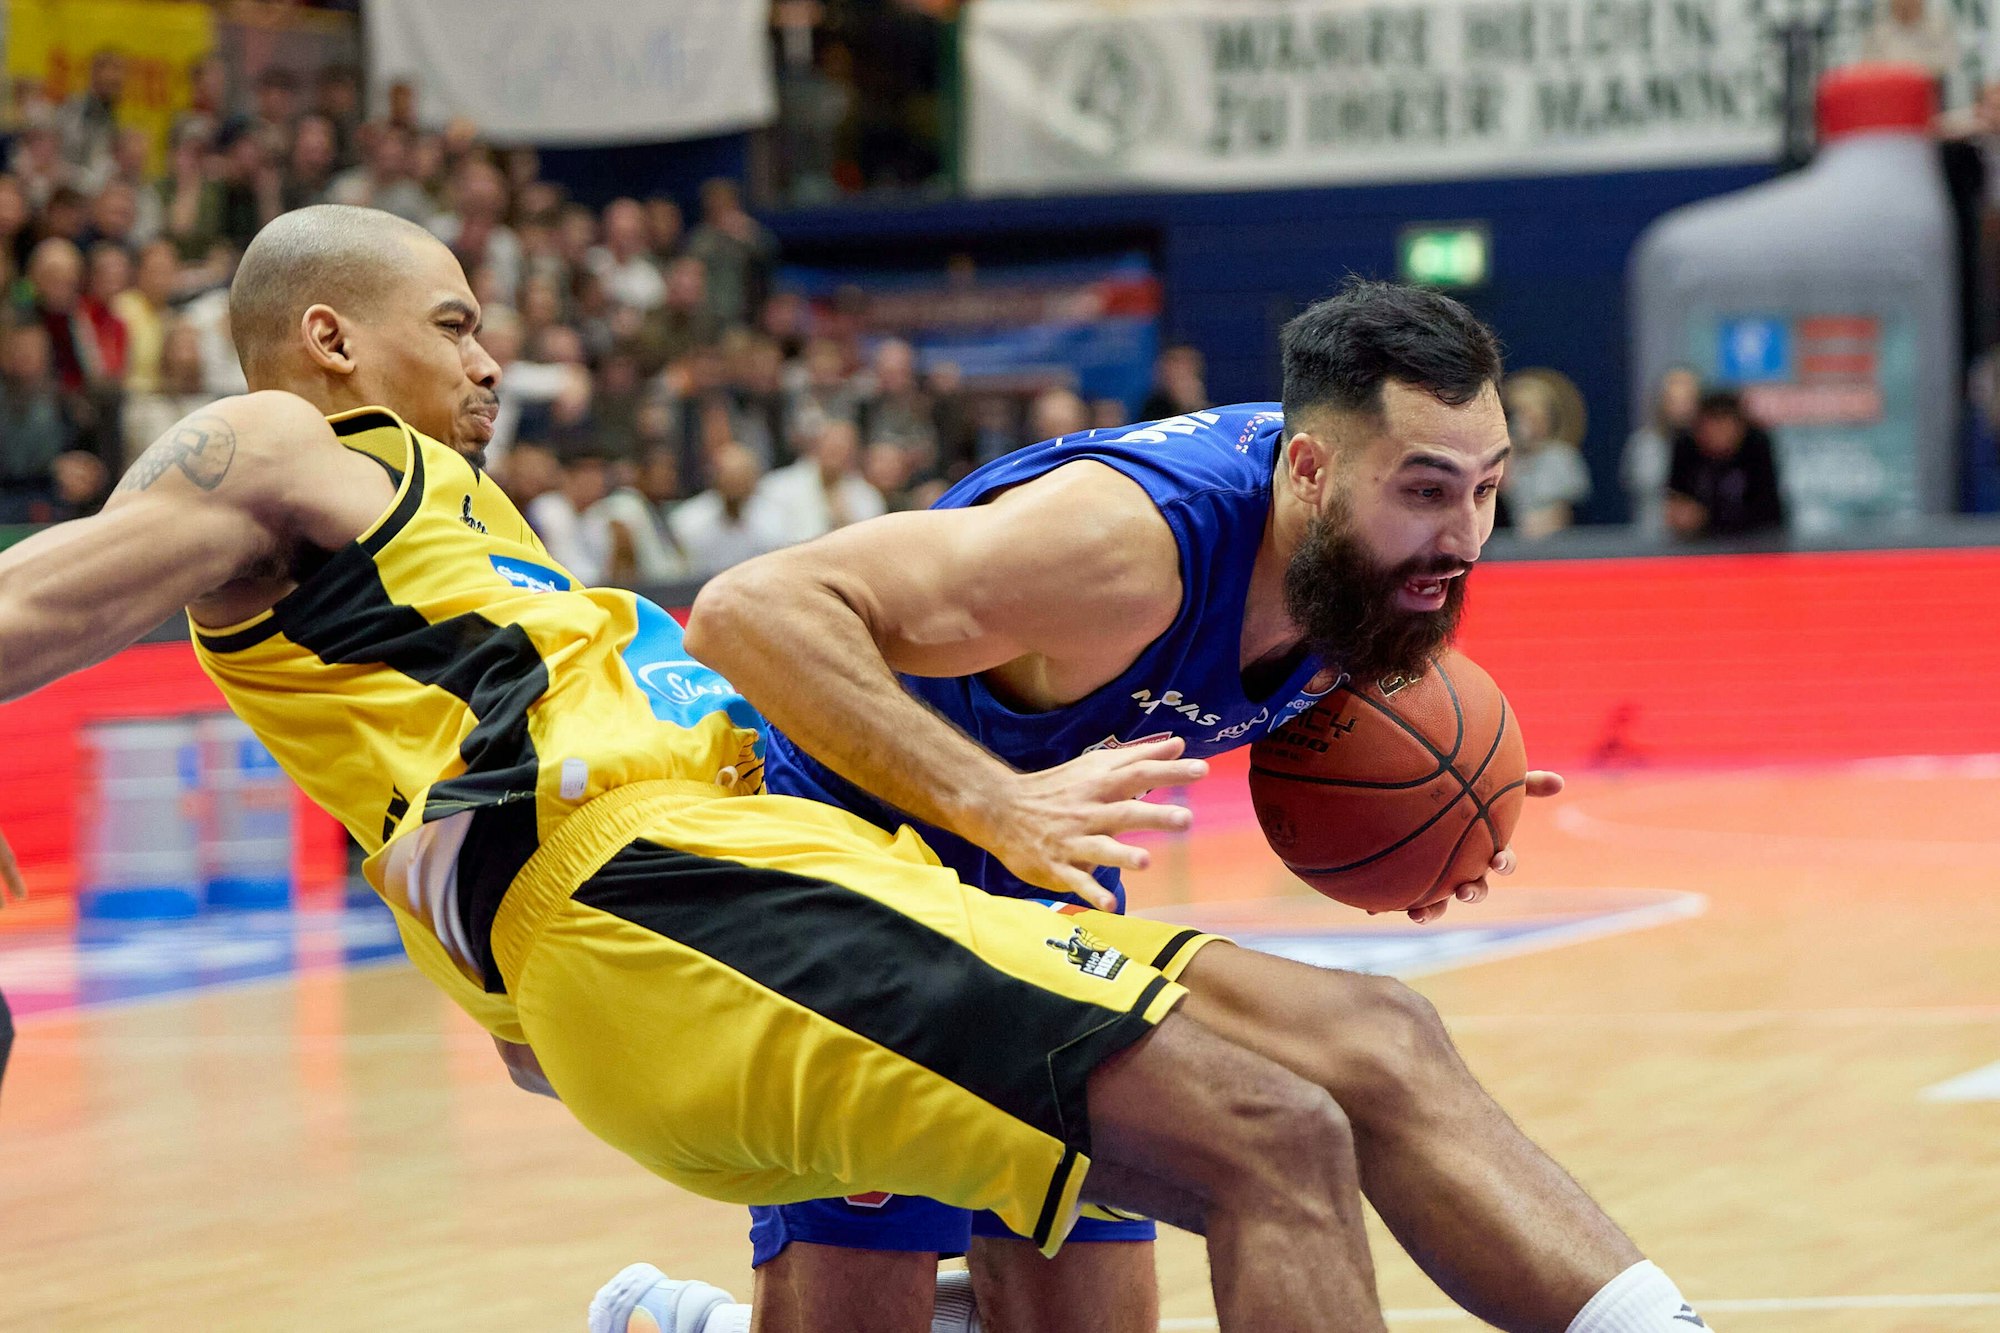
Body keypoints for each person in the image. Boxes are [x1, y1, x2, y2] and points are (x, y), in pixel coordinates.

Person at [0, 202, 1597, 1333]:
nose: (495, 361)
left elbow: (469, 807)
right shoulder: (286, 442)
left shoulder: (446, 541)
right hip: (676, 890)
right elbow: (43, 599)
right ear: (332, 340)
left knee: (1295, 1106)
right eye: (457, 324)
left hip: (722, 890)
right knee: (1285, 1129)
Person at [604, 279, 1710, 1333]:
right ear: (1312, 469)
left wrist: (1429, 832)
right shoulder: (1117, 545)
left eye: (1485, 486)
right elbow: (745, 612)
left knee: (1376, 1047)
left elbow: (1282, 707)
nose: (1465, 536)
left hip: (1037, 879)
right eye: (1426, 490)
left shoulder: (1364, 572)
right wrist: (992, 801)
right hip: (846, 881)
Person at [1665, 390, 1787, 539]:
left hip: (1755, 543)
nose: (1718, 435)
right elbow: (1676, 499)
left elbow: (1768, 511)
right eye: (1711, 426)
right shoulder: (1685, 447)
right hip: (1697, 545)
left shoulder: (1757, 446)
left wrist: (1706, 517)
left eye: (1724, 426)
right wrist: (1681, 513)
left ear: (1741, 427)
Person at [1499, 374, 1590, 539]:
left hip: (1553, 546)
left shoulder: (1561, 457)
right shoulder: (1504, 457)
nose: (1523, 424)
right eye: (1518, 415)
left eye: (1532, 416)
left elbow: (1563, 510)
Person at [1624, 367, 1700, 536]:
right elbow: (1644, 483)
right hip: (1654, 537)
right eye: (1674, 400)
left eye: (1688, 400)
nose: (1682, 409)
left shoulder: (1712, 448)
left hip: (1704, 542)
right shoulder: (1645, 444)